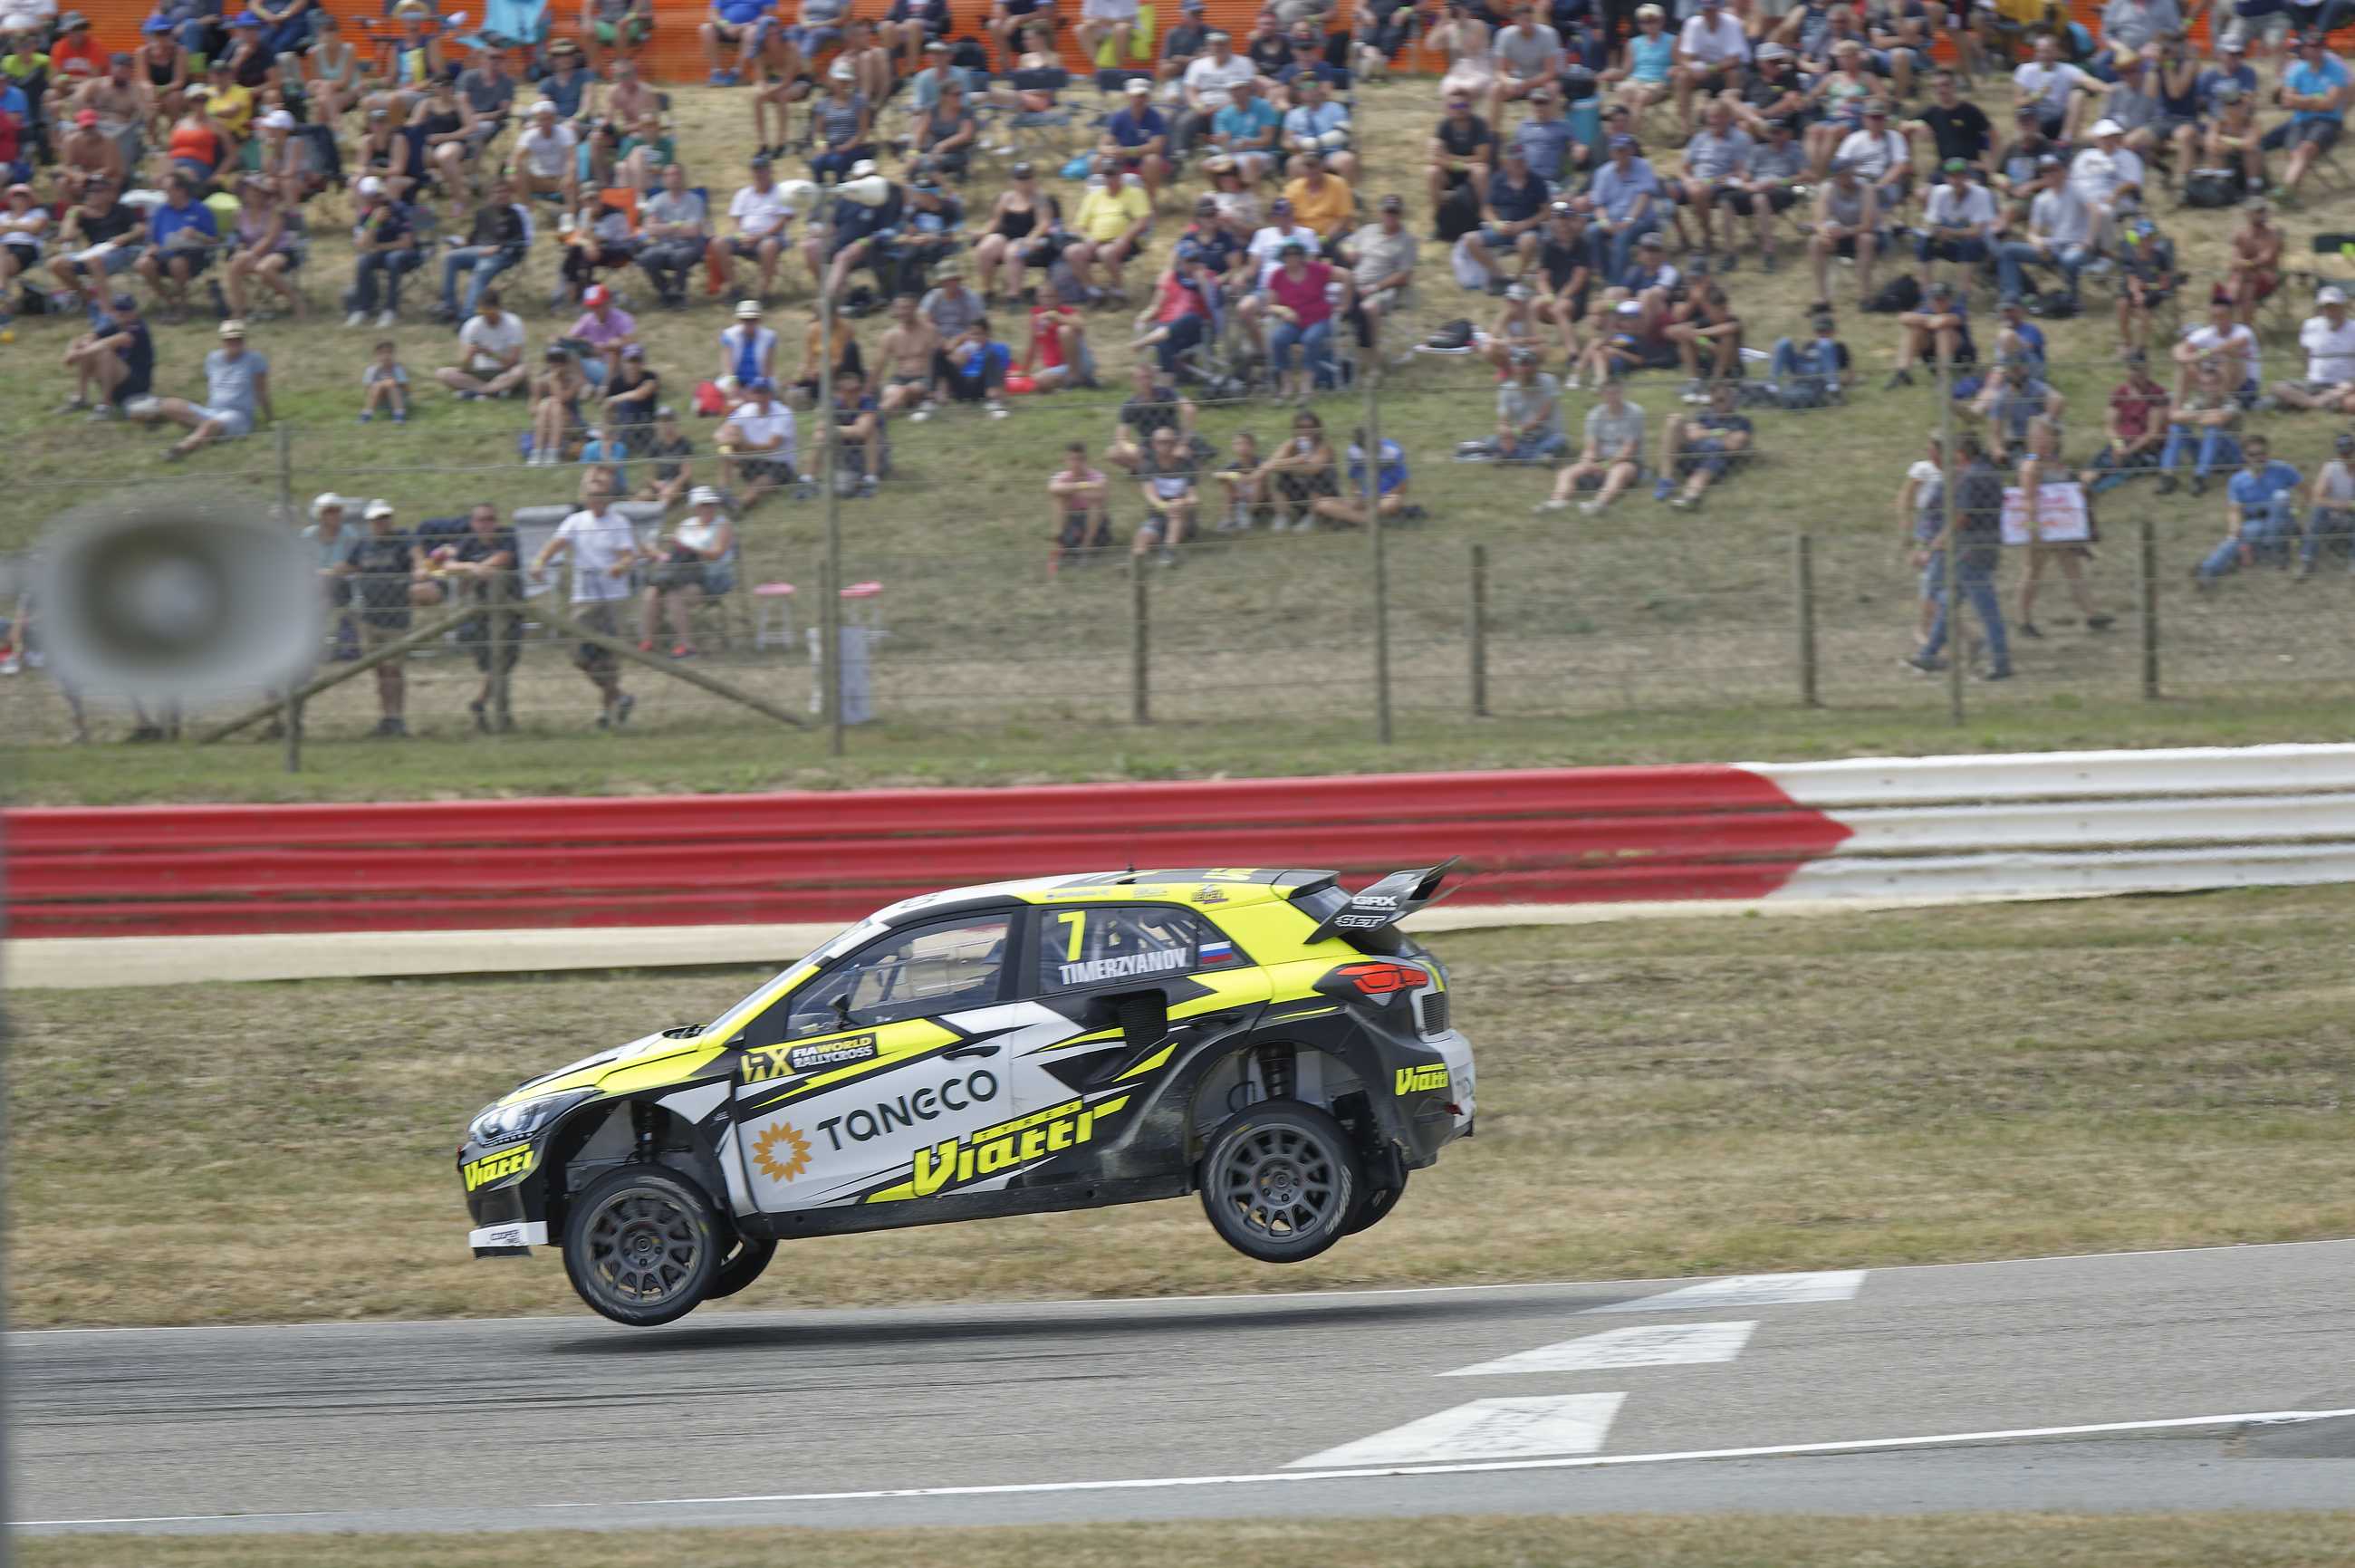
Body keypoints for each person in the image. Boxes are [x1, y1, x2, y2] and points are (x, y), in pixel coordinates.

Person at [533, 469, 637, 728]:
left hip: (613, 596)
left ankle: (607, 713)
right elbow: (556, 544)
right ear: (585, 497)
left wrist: (619, 567)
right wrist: (540, 562)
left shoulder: (619, 522)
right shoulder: (576, 521)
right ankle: (620, 696)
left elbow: (628, 555)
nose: (597, 499)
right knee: (579, 653)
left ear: (610, 498)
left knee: (608, 658)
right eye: (592, 495)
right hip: (585, 596)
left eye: (602, 495)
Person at [1905, 430, 2012, 680]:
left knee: (1987, 609)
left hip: (1969, 549)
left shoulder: (1968, 477)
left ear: (1961, 453)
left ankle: (2001, 663)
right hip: (1988, 542)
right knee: (1948, 601)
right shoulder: (1990, 473)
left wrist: (1935, 545)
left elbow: (1960, 517)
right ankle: (1929, 654)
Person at [342, 499, 431, 737]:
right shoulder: (363, 543)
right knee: (380, 670)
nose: (381, 523)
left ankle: (397, 718)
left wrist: (421, 567)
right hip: (369, 616)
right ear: (370, 522)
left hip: (396, 616)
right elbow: (348, 567)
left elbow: (417, 554)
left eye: (385, 518)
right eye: (376, 519)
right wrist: (326, 572)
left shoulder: (403, 538)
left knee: (394, 670)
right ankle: (386, 718)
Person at [139, 317, 272, 459]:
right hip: (212, 411)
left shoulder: (255, 359)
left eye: (238, 339)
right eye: (229, 339)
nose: (234, 342)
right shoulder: (213, 358)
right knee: (168, 404)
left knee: (211, 424)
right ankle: (205, 433)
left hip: (238, 416)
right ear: (223, 340)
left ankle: (180, 449)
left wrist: (269, 417)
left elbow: (261, 391)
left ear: (244, 340)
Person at [439, 502, 520, 733]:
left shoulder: (507, 535)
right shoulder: (468, 543)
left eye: (490, 519)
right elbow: (448, 566)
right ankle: (492, 711)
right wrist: (473, 568)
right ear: (473, 523)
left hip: (511, 610)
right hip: (480, 612)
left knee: (504, 663)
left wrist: (477, 569)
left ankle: (484, 705)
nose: (486, 524)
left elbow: (504, 557)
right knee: (492, 664)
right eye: (481, 520)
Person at [2196, 433, 2303, 585]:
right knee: (2235, 538)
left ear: (2268, 453)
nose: (2259, 458)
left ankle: (2277, 553)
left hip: (2283, 522)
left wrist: (2296, 512)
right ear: (2245, 456)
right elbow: (2234, 510)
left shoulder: (2283, 469)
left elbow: (2309, 494)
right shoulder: (2237, 481)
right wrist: (2235, 529)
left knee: (2280, 497)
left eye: (2262, 453)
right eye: (2253, 454)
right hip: (2257, 523)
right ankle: (2208, 570)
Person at [638, 487, 734, 659]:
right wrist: (658, 554)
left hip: (712, 578)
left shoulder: (722, 524)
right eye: (703, 505)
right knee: (652, 592)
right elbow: (676, 558)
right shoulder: (686, 525)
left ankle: (687, 647)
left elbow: (717, 554)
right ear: (695, 507)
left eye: (711, 504)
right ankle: (648, 643)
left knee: (674, 596)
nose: (708, 508)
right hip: (683, 575)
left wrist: (692, 549)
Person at [2262, 32, 2349, 203]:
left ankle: (2287, 192)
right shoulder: (2296, 69)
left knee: (2305, 150)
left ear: (2323, 48)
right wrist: (2315, 99)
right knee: (2289, 151)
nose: (2314, 51)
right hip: (2300, 121)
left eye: (2317, 46)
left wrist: (2301, 100)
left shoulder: (2336, 70)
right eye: (2310, 47)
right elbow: (2287, 100)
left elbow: (2330, 104)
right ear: (2305, 49)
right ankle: (2270, 188)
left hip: (2328, 121)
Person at [1542, 378, 1645, 514]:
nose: (1612, 397)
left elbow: (1629, 448)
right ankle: (1557, 501)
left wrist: (1607, 465)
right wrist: (1587, 462)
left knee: (1618, 472)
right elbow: (1591, 447)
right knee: (1566, 472)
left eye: (1616, 393)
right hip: (1600, 460)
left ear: (1622, 392)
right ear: (1602, 394)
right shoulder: (1595, 415)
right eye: (1608, 393)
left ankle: (1599, 503)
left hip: (1627, 462)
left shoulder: (1635, 412)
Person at [437, 177, 528, 325]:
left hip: (501, 255)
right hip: (477, 251)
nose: (502, 195)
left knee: (481, 269)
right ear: (491, 195)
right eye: (498, 192)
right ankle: (450, 307)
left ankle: (466, 317)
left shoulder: (514, 215)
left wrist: (498, 248)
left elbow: (520, 241)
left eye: (505, 192)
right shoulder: (483, 213)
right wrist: (460, 243)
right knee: (450, 257)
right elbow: (473, 237)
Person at [2080, 349, 2170, 492]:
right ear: (2127, 370)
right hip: (2123, 443)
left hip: (2146, 449)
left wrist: (2127, 450)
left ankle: (2092, 488)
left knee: (2117, 466)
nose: (2138, 373)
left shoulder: (2158, 394)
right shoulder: (2119, 393)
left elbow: (2153, 433)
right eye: (2133, 369)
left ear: (2148, 368)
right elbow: (2110, 427)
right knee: (2098, 465)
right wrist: (2118, 445)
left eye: (2141, 369)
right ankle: (2087, 483)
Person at [132, 169, 215, 325]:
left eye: (167, 190)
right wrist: (152, 249)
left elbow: (213, 241)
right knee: (143, 264)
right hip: (165, 251)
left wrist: (197, 235)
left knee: (177, 262)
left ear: (180, 191)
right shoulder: (161, 211)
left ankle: (183, 306)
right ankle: (168, 300)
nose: (165, 194)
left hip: (193, 254)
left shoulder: (200, 210)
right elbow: (153, 240)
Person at [1658, 379, 1754, 510]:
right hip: (1691, 453)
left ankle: (1689, 497)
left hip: (1714, 457)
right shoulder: (1703, 415)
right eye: (1713, 401)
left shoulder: (1741, 422)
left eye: (1721, 400)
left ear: (1732, 399)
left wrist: (1704, 433)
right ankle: (1666, 480)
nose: (1715, 405)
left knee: (1713, 453)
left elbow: (1735, 444)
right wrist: (1722, 434)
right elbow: (1692, 434)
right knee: (1674, 421)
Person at [711, 153, 793, 303]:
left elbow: (783, 221)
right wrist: (742, 236)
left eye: (762, 170)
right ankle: (735, 288)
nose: (759, 174)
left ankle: (764, 293)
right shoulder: (743, 194)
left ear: (770, 171)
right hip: (746, 237)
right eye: (756, 170)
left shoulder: (782, 193)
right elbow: (736, 221)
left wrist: (760, 237)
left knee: (769, 245)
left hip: (771, 238)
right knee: (718, 243)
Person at [2156, 358, 2244, 495]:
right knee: (2177, 428)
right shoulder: (2199, 401)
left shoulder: (2231, 402)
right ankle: (2168, 476)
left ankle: (2200, 478)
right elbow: (2174, 416)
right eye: (2204, 385)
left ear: (2220, 384)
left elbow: (2218, 419)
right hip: (2207, 451)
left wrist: (2194, 416)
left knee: (2213, 429)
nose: (2208, 389)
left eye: (2212, 384)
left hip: (2230, 457)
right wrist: (2201, 416)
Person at [1262, 238, 1338, 400]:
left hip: (1319, 319)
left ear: (1301, 255)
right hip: (1294, 322)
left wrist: (1344, 304)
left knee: (1310, 339)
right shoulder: (1278, 275)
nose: (1292, 257)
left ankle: (1306, 385)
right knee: (1278, 339)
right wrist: (1283, 310)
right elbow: (1270, 305)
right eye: (1288, 254)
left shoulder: (1316, 270)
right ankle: (1287, 384)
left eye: (1296, 253)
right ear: (1282, 256)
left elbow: (1346, 276)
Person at [1067, 158, 1152, 300]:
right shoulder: (1093, 197)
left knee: (1105, 252)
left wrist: (1124, 238)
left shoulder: (1135, 193)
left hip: (1127, 241)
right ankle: (1092, 291)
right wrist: (1088, 239)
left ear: (1121, 174)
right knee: (1072, 252)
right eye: (1106, 174)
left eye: (1113, 173)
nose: (1109, 178)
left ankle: (1119, 290)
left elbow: (1142, 221)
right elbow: (1078, 226)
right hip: (1095, 241)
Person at [59, 290, 153, 417]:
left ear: (135, 311)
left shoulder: (138, 328)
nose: (122, 314)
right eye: (118, 310)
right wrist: (70, 350)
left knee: (103, 352)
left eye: (126, 310)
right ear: (113, 312)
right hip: (118, 381)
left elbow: (112, 342)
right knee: (88, 346)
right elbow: (85, 338)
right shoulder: (116, 325)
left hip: (136, 388)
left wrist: (77, 355)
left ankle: (106, 405)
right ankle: (81, 398)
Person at [2264, 286, 2355, 415]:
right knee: (2278, 387)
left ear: (2342, 307)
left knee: (2351, 400)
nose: (2330, 311)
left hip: (2341, 386)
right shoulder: (2310, 325)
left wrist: (2349, 385)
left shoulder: (2353, 329)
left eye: (2334, 306)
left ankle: (2303, 403)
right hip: (2313, 384)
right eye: (2326, 307)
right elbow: (2305, 355)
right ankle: (2315, 403)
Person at [346, 175, 421, 330]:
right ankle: (362, 309)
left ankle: (390, 310)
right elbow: (362, 245)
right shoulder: (367, 215)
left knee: (393, 259)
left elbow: (407, 243)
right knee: (363, 260)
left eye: (378, 195)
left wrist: (379, 247)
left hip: (409, 255)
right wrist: (374, 221)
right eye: (371, 197)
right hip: (384, 253)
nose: (376, 201)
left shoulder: (399, 209)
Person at [1807, 158, 1880, 304]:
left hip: (1861, 234)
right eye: (1843, 175)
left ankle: (1864, 296)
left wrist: (1845, 231)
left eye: (1850, 173)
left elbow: (1868, 225)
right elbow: (1818, 221)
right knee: (1815, 242)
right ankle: (1822, 296)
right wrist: (1825, 233)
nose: (1848, 177)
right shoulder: (1827, 189)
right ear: (1835, 177)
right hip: (1840, 234)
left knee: (1866, 239)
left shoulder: (1866, 189)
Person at [716, 376, 796, 505]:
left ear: (770, 394)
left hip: (779, 465)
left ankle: (740, 504)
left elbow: (772, 445)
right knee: (724, 451)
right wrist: (730, 442)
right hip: (752, 460)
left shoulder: (783, 413)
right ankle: (723, 491)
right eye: (756, 392)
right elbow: (720, 434)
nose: (759, 396)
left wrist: (744, 446)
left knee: (761, 482)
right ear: (751, 393)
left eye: (763, 392)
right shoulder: (745, 410)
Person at [1255, 409, 1339, 531]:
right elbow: (1269, 464)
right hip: (1298, 492)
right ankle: (1282, 515)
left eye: (1310, 427)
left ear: (1317, 428)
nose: (1306, 431)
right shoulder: (1291, 444)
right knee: (1281, 475)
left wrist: (1286, 465)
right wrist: (1295, 460)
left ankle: (1312, 517)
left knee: (1321, 474)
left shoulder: (1324, 446)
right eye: (1301, 427)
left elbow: (1313, 469)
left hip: (1323, 496)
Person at [438, 290, 529, 400]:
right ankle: (491, 392)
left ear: (498, 308)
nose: (487, 317)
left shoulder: (513, 323)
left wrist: (491, 354)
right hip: (479, 373)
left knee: (521, 370)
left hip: (504, 372)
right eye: (483, 313)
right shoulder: (471, 326)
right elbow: (463, 368)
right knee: (443, 373)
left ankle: (475, 393)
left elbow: (513, 363)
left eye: (490, 313)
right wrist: (469, 356)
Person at [2172, 291, 2260, 404]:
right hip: (2211, 380)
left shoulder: (2243, 332)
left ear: (2231, 316)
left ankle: (2221, 401)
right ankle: (2178, 407)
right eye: (2215, 317)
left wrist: (2200, 354)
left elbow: (2227, 347)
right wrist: (2188, 360)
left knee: (2228, 354)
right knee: (2185, 364)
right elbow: (2178, 349)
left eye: (2222, 317)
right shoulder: (2206, 333)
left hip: (2244, 385)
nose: (2218, 321)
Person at [1488, 345, 1568, 462]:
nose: (1526, 369)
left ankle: (1514, 455)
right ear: (1515, 367)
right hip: (1522, 438)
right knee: (1492, 442)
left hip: (1546, 434)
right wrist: (1505, 434)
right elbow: (1502, 421)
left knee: (1559, 440)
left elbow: (1542, 416)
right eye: (1522, 364)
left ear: (1536, 366)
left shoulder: (1549, 381)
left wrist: (1514, 432)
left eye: (1530, 364)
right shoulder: (1506, 389)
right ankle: (1537, 456)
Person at [1132, 423, 1198, 563]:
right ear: (1153, 444)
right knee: (1142, 536)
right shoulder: (1148, 466)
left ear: (1175, 443)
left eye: (1168, 442)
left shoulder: (1186, 465)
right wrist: (1165, 506)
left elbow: (1194, 498)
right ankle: (1137, 563)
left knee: (1176, 511)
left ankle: (1169, 553)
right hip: (1159, 516)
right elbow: (1150, 496)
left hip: (1183, 516)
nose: (1164, 445)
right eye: (1160, 442)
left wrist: (1182, 502)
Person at [1047, 439, 1110, 573]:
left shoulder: (1096, 475)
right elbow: (1052, 489)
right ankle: (1059, 544)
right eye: (1071, 459)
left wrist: (1071, 491)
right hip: (1072, 521)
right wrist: (1083, 486)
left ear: (1085, 460)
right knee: (1059, 499)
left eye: (1079, 459)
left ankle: (1085, 548)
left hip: (1095, 523)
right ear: (1066, 460)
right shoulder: (1062, 477)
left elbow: (1102, 490)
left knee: (1095, 502)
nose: (1075, 463)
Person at [2298, 431, 2355, 578]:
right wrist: (2340, 505)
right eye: (2343, 453)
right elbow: (2316, 498)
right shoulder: (2331, 468)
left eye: (2349, 452)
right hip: (2333, 517)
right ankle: (2307, 560)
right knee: (2318, 511)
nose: (2347, 456)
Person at [1767, 307, 1850, 407]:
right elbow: (1801, 361)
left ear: (1833, 331)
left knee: (1825, 344)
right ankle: (1772, 387)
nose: (1822, 334)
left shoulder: (1839, 347)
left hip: (1821, 375)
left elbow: (1848, 374)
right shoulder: (1809, 344)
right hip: (1803, 372)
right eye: (1819, 331)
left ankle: (1833, 390)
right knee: (1783, 342)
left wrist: (1839, 381)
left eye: (1826, 331)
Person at [510, 99, 580, 209]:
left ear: (553, 118)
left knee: (572, 176)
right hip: (538, 179)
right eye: (541, 120)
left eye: (548, 119)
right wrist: (510, 173)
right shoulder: (529, 136)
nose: (545, 123)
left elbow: (572, 159)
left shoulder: (565, 133)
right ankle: (528, 210)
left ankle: (570, 215)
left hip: (560, 179)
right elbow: (515, 159)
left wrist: (569, 175)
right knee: (515, 173)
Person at [360, 337, 409, 425]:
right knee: (378, 385)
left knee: (391, 384)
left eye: (389, 352)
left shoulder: (398, 368)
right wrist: (382, 384)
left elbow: (406, 389)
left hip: (396, 400)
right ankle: (366, 414)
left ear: (394, 354)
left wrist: (392, 384)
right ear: (376, 355)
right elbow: (367, 389)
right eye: (382, 353)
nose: (386, 356)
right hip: (379, 401)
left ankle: (399, 415)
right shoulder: (371, 370)